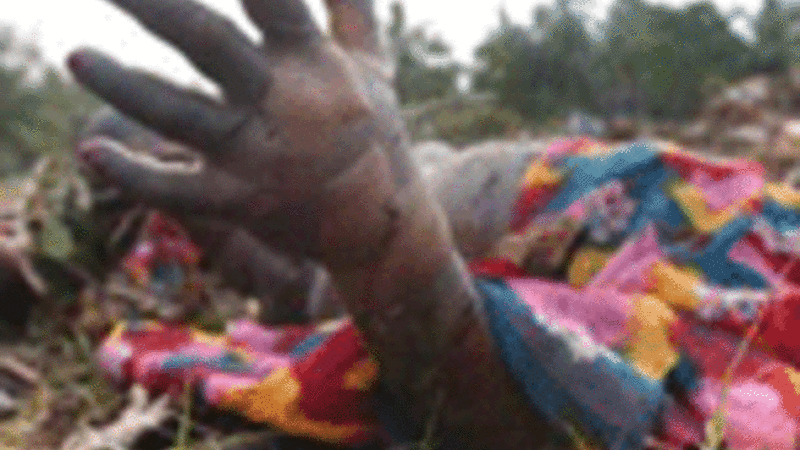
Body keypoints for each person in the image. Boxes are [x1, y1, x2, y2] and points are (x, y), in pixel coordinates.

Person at [69, 1, 800, 449]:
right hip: (553, 207)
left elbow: (564, 401)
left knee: (296, 260)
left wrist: (387, 252)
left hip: (470, 233)